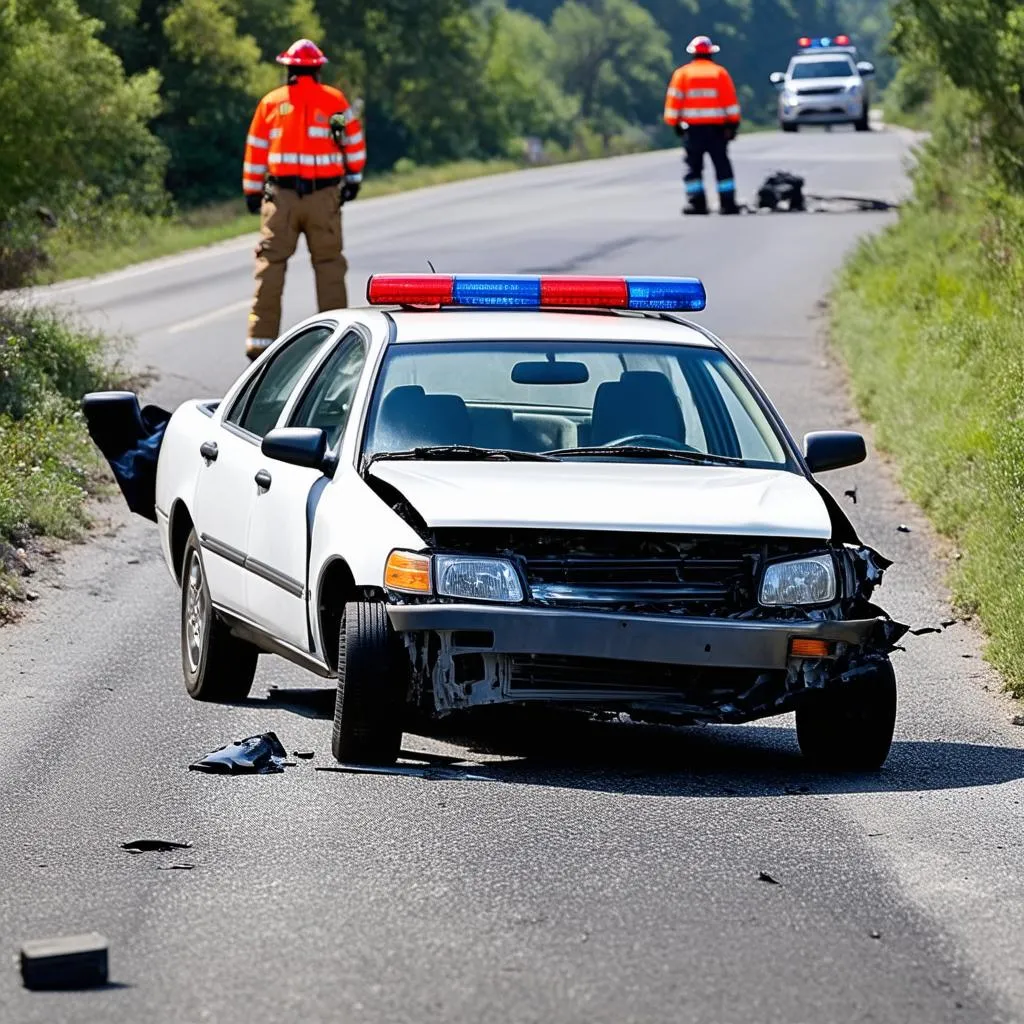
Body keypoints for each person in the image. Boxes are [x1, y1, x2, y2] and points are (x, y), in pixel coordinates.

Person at [241, 39, 367, 360]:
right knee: (328, 265)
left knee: (271, 264)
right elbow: (350, 142)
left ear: (289, 69)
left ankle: (261, 342)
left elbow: (256, 150)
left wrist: (252, 190)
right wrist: (353, 178)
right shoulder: (334, 103)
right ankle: (339, 344)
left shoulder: (271, 104)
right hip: (323, 197)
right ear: (318, 69)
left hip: (281, 198)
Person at [663, 35, 741, 215]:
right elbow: (730, 103)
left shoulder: (682, 74)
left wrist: (674, 124)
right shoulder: (720, 73)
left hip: (693, 130)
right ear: (711, 54)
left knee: (693, 167)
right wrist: (733, 125)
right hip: (717, 130)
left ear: (693, 54)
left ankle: (696, 203)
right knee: (722, 166)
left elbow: (674, 103)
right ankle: (727, 203)